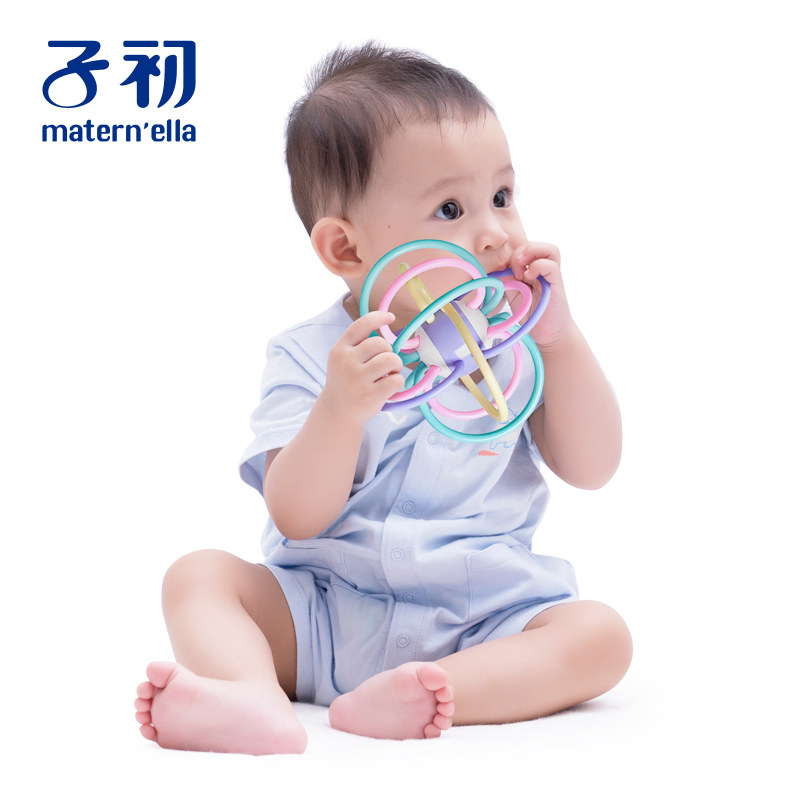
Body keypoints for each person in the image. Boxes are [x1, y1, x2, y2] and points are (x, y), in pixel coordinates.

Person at [134, 42, 632, 756]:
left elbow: (594, 465)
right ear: (346, 249)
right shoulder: (309, 357)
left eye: (503, 197)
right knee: (198, 576)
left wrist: (562, 341)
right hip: (324, 615)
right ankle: (250, 694)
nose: (496, 233)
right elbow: (296, 516)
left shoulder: (517, 346)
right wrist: (339, 411)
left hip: (478, 620)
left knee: (600, 637)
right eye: (451, 208)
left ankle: (437, 692)